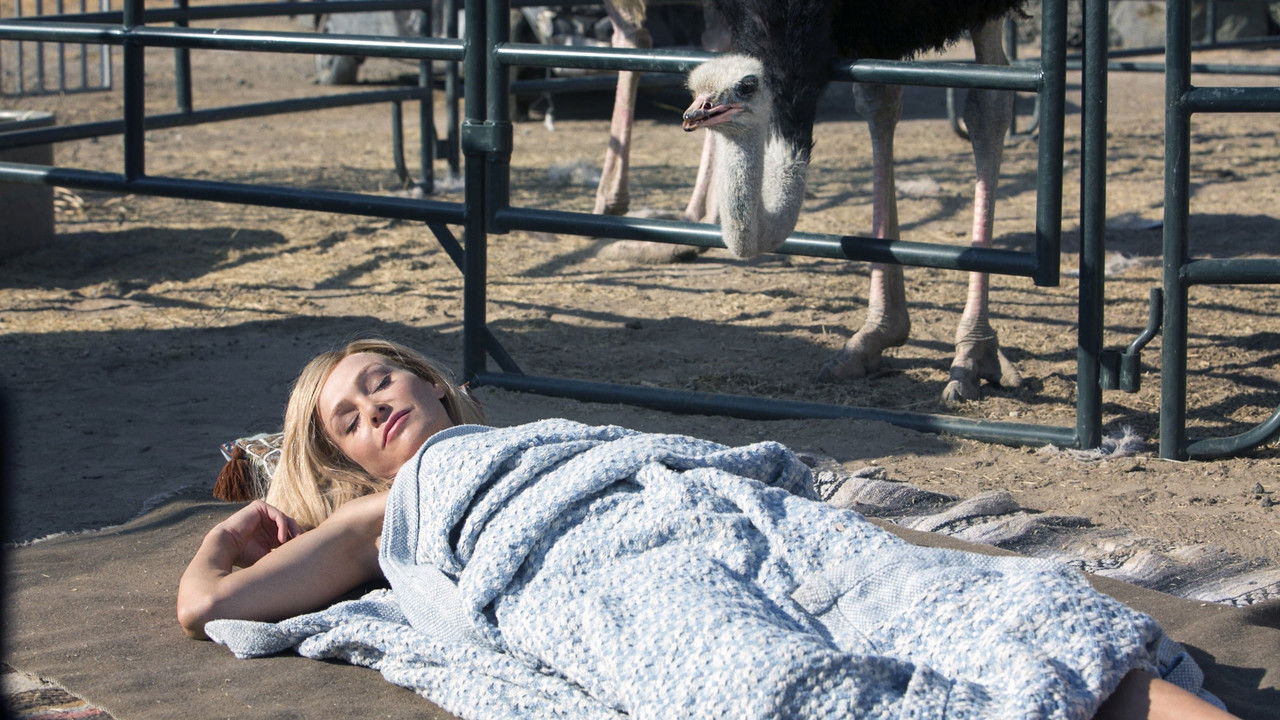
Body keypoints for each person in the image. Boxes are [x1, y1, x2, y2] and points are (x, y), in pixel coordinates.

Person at [177, 338, 1238, 720]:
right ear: (348, 464)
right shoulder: (391, 510)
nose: (374, 409)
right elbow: (210, 606)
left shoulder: (540, 430)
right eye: (347, 421)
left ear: (432, 382)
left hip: (712, 510)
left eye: (380, 382)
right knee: (761, 684)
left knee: (967, 605)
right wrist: (234, 536)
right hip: (588, 573)